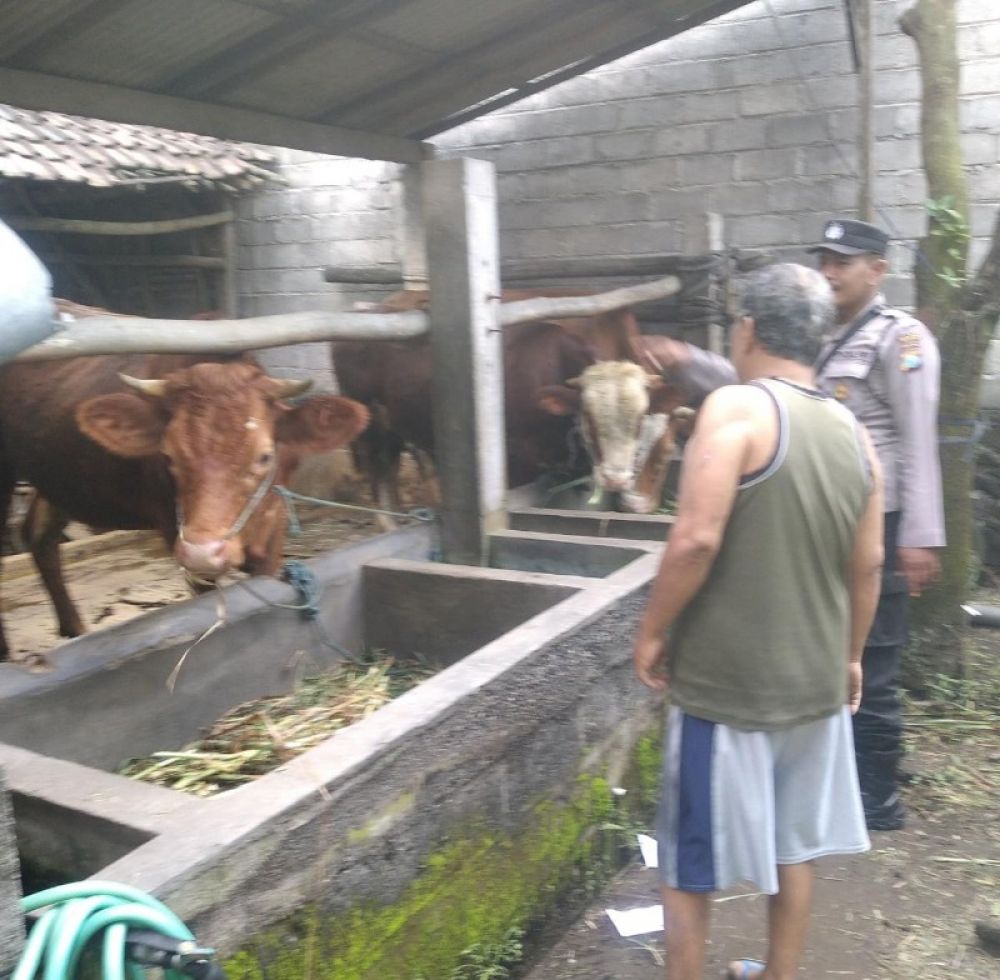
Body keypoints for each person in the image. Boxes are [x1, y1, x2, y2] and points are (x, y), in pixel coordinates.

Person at [644, 218, 945, 831]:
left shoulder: (900, 338)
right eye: (825, 261)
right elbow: (765, 385)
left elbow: (918, 439)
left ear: (878, 271)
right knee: (825, 642)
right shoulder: (815, 333)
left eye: (845, 262)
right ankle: (828, 781)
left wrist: (920, 534)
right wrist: (685, 360)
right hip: (820, 509)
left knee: (873, 658)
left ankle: (877, 796)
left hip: (877, 518)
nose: (831, 272)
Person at [633, 263, 884, 980]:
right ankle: (779, 974)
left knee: (688, 857)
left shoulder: (736, 410)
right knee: (792, 842)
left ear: (745, 330)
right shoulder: (854, 433)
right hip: (813, 681)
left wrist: (652, 630)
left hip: (726, 686)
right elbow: (867, 566)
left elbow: (695, 539)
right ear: (819, 337)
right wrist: (852, 657)